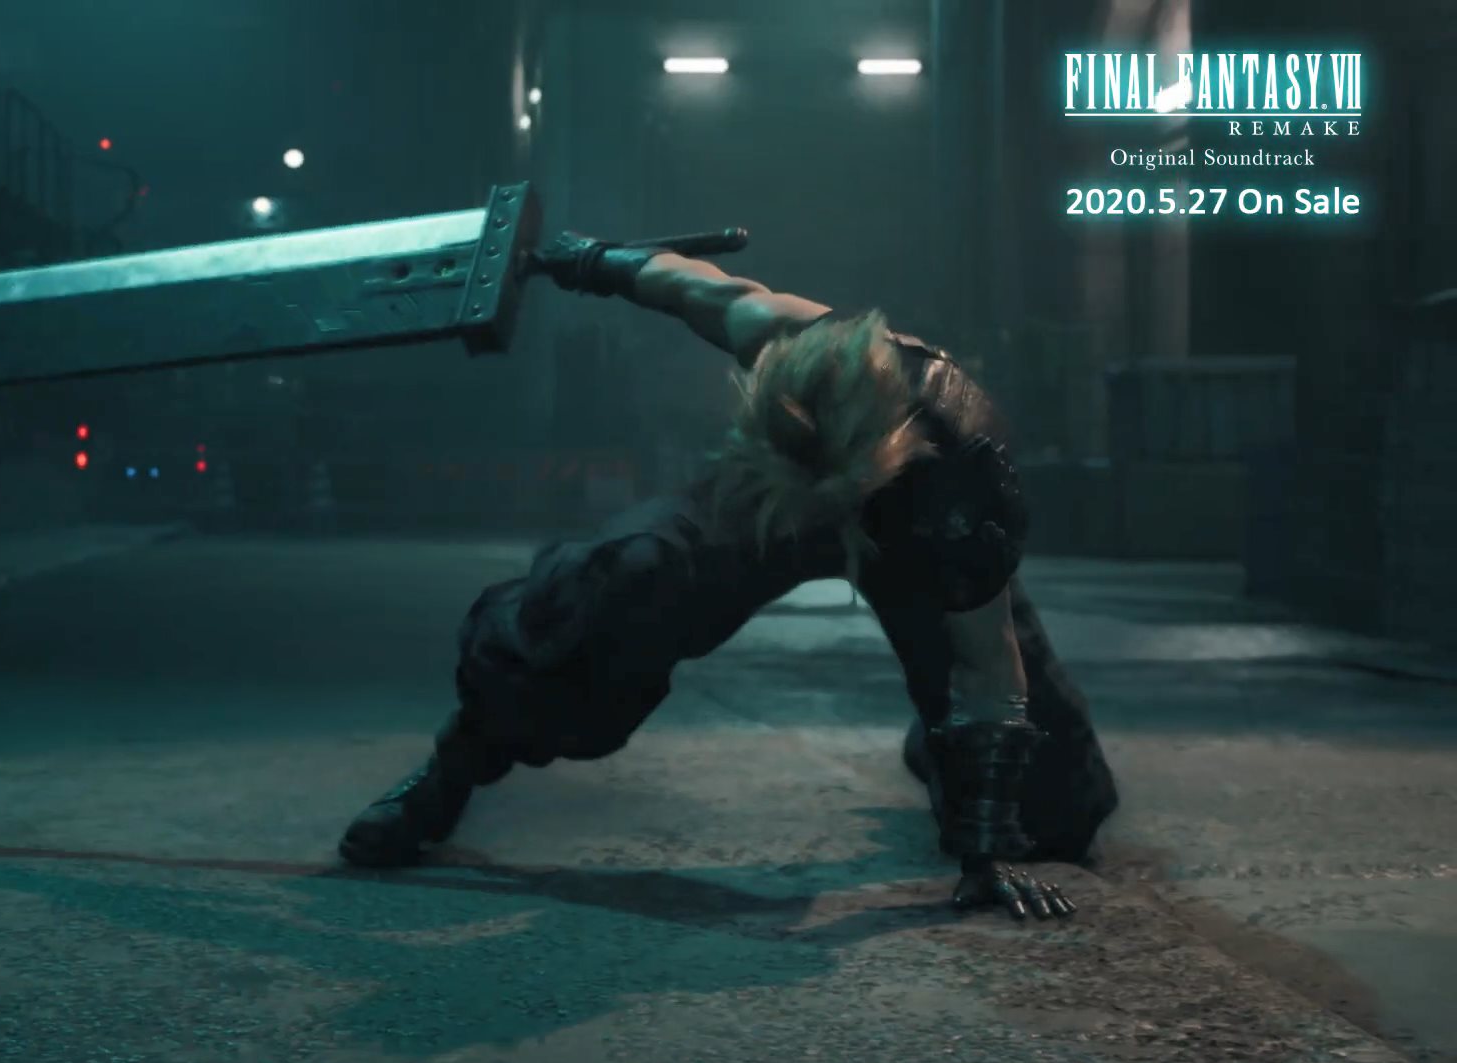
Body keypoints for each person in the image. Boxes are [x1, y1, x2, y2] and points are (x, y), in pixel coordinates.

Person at [337, 232, 1119, 920]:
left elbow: (989, 667)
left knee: (1056, 812)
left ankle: (941, 750)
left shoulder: (962, 493)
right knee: (621, 579)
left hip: (907, 525)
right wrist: (586, 259)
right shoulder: (785, 336)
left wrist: (985, 854)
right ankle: (448, 775)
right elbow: (688, 283)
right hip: (775, 493)